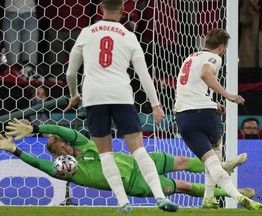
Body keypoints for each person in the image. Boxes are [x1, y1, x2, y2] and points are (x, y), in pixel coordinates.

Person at [63, 0, 177, 212]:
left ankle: (123, 203)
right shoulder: (129, 36)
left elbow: (71, 73)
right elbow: (144, 75)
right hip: (121, 95)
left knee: (106, 154)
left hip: (94, 97)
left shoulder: (87, 32)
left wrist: (74, 95)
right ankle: (160, 197)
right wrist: (156, 105)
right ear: (124, 11)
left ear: (100, 8)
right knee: (139, 150)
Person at [0, 119, 255, 201]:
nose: (66, 152)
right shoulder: (65, 171)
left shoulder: (82, 144)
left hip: (139, 160)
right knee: (183, 186)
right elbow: (39, 164)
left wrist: (35, 128)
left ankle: (222, 166)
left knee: (183, 162)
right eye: (61, 152)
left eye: (65, 147)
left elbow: (63, 130)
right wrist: (15, 150)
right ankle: (231, 193)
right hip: (134, 185)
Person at [174, 28, 262, 210]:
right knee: (215, 157)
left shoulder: (189, 57)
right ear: (222, 46)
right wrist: (228, 96)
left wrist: (213, 103)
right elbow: (205, 73)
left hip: (185, 116)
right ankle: (237, 195)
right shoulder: (215, 57)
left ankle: (209, 198)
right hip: (206, 116)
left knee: (211, 161)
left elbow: (190, 87)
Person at [1, 0, 39, 74]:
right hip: (10, 15)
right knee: (12, 64)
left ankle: (29, 82)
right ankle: (13, 84)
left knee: (30, 64)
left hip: (30, 14)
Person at [238, 0, 262, 68]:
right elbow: (243, 20)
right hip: (250, 45)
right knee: (248, 74)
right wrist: (253, 7)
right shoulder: (247, 2)